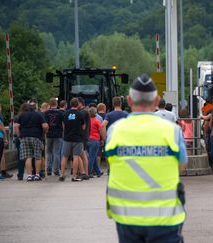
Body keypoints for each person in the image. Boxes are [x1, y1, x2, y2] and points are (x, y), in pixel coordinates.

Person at [106, 74, 187, 243]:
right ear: (157, 101)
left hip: (126, 217)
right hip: (165, 217)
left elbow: (111, 163)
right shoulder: (172, 131)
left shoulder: (115, 130)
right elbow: (182, 166)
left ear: (128, 100)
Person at [14, 102, 48, 181]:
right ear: (35, 108)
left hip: (25, 137)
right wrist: (43, 133)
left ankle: (29, 175)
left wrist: (19, 136)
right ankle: (36, 175)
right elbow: (45, 126)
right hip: (36, 136)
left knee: (28, 157)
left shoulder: (22, 115)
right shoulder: (38, 115)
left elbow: (16, 126)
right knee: (37, 156)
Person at [59, 98, 86, 182]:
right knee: (76, 157)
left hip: (67, 138)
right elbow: (83, 126)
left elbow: (63, 125)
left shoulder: (65, 113)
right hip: (77, 138)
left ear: (70, 104)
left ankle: (62, 174)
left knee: (64, 156)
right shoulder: (80, 114)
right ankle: (74, 176)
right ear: (78, 104)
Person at [44, 98, 64, 176]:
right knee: (56, 153)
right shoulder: (60, 113)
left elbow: (45, 124)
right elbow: (63, 124)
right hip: (58, 134)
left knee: (48, 152)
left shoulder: (46, 113)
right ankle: (56, 170)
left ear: (49, 104)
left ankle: (48, 169)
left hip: (49, 134)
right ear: (56, 104)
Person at [87, 107, 103, 177]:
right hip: (95, 140)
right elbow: (101, 131)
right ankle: (88, 172)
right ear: (95, 113)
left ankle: (98, 172)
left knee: (93, 156)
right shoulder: (97, 121)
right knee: (92, 157)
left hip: (87, 140)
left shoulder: (87, 121)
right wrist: (102, 139)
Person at [77, 97, 90, 180]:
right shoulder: (86, 112)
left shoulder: (82, 112)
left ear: (81, 103)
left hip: (81, 136)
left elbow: (81, 125)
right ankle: (86, 172)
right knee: (83, 155)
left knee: (79, 154)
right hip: (85, 136)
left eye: (77, 103)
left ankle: (83, 172)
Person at [0, 103, 12, 179]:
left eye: (0, 107)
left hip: (0, 137)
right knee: (0, 155)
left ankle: (3, 171)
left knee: (1, 155)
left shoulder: (0, 115)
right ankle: (2, 172)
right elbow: (1, 126)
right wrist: (4, 134)